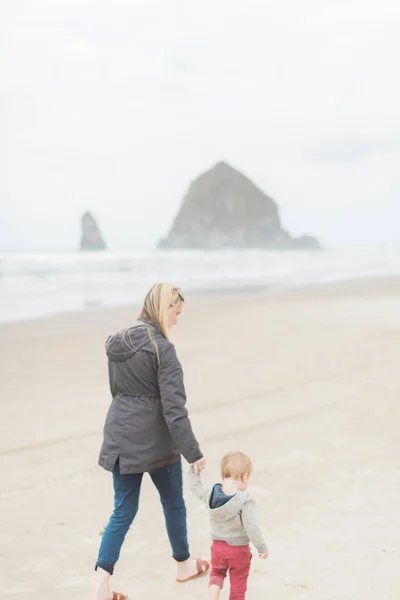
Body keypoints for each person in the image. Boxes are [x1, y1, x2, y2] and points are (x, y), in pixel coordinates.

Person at [91, 283, 209, 600]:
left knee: (122, 511)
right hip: (156, 441)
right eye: (177, 313)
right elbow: (174, 410)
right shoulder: (163, 350)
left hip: (120, 434)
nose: (176, 321)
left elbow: (119, 392)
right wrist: (193, 452)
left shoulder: (117, 342)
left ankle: (100, 586)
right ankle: (183, 565)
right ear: (165, 309)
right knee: (173, 503)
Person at [189, 451, 268, 600]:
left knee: (217, 573)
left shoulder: (210, 493)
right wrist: (261, 548)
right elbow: (251, 527)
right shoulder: (245, 500)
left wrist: (194, 471)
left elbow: (195, 487)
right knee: (238, 583)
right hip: (238, 551)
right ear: (245, 477)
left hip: (218, 547)